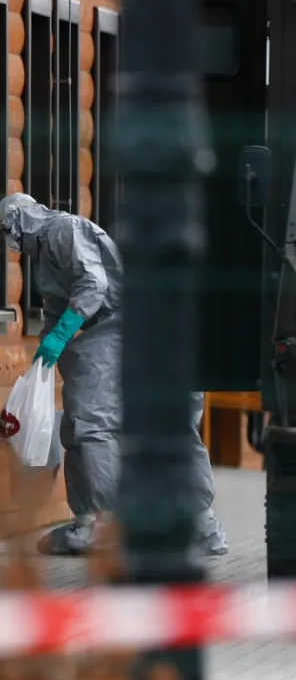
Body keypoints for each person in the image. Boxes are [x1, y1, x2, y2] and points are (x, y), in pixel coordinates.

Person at [0, 193, 230, 557]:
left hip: (118, 328)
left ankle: (122, 524)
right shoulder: (46, 252)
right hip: (120, 330)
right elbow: (58, 305)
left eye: (8, 230)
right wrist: (47, 345)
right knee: (86, 425)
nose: (11, 241)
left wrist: (61, 335)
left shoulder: (63, 230)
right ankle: (97, 522)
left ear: (20, 220)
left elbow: (94, 286)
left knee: (101, 424)